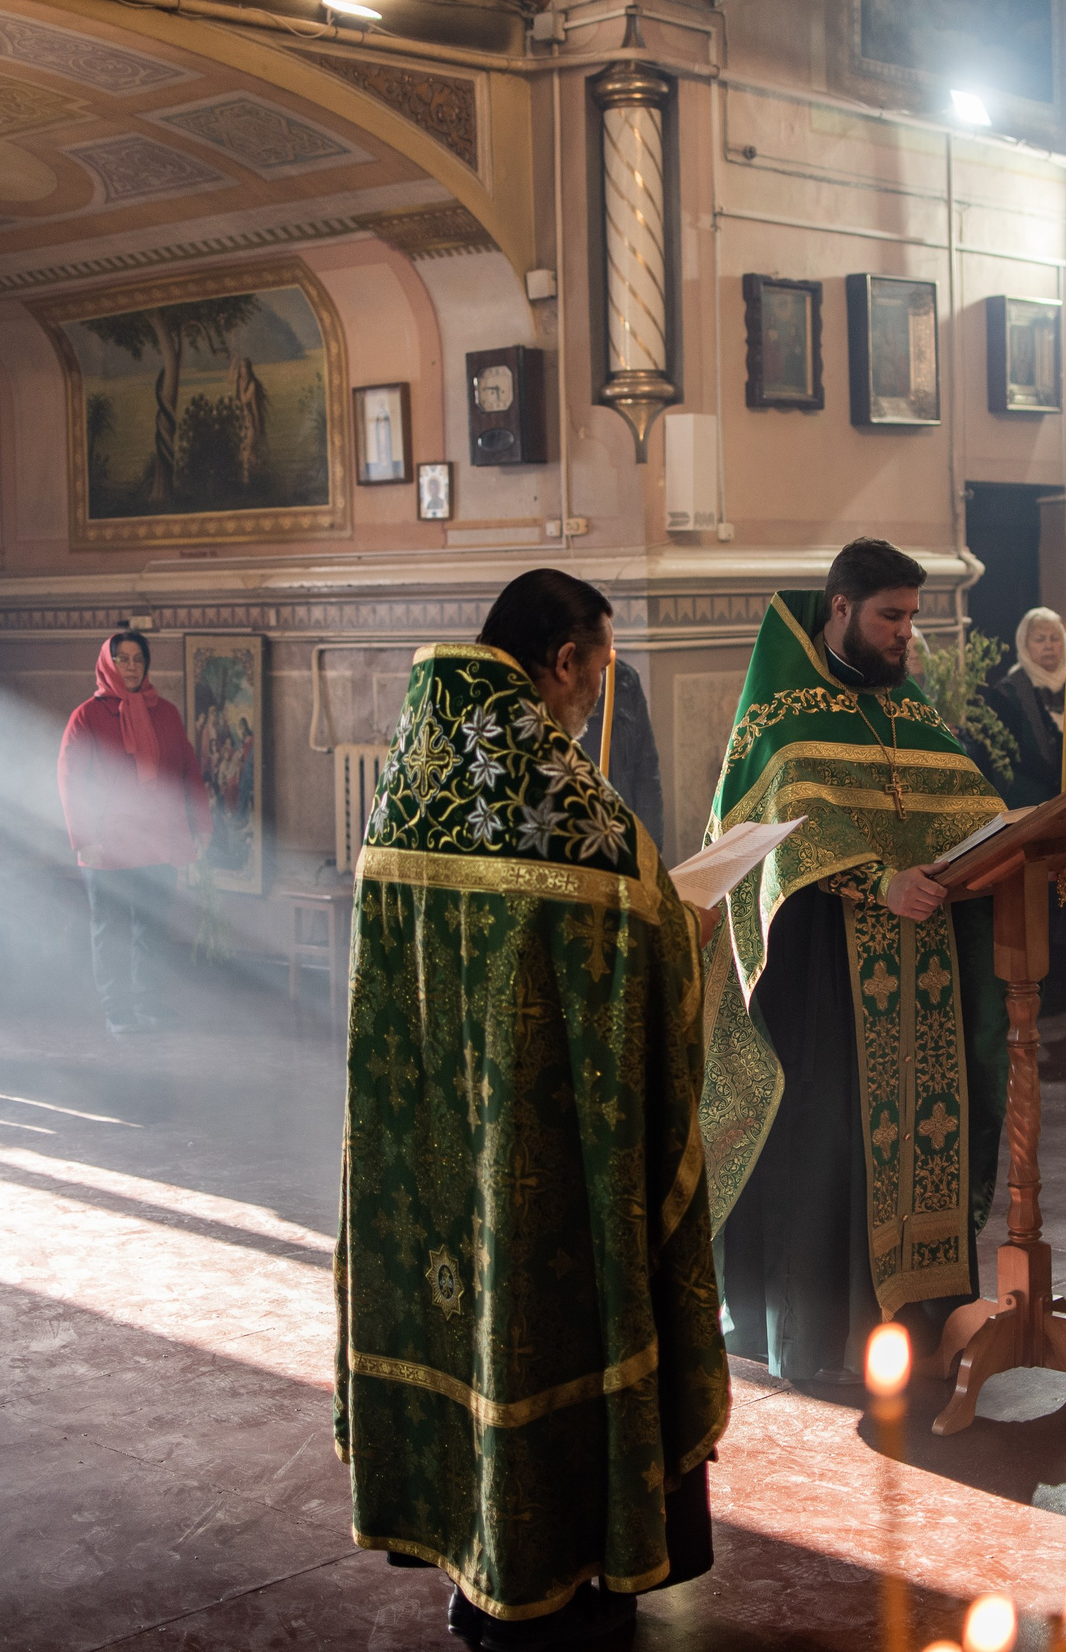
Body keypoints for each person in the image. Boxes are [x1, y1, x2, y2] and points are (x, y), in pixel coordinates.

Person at [340, 569, 726, 1650]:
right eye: (593, 676)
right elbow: (643, 933)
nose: (589, 703)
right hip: (542, 1136)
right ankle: (557, 1574)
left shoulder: (413, 768)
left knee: (461, 1329)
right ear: (562, 660)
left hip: (429, 1135)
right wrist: (683, 933)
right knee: (545, 1331)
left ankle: (471, 1566)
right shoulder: (555, 790)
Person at [700, 539, 1010, 1382]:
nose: (906, 633)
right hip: (819, 977)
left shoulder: (906, 709)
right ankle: (823, 1334)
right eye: (890, 616)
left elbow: (969, 804)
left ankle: (921, 1315)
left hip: (923, 967)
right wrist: (876, 881)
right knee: (831, 1143)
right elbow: (776, 835)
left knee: (921, 1134)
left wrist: (1026, 850)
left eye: (912, 616)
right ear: (841, 607)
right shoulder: (781, 715)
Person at [56, 631, 209, 1035]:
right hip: (105, 843)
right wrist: (84, 839)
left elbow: (187, 771)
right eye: (122, 659)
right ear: (108, 664)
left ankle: (149, 1001)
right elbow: (71, 782)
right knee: (111, 928)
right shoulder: (86, 716)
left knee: (153, 927)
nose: (131, 666)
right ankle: (117, 1008)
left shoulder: (166, 713)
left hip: (157, 840)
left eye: (138, 658)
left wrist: (200, 824)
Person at [986, 605, 1066, 810]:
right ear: (1025, 645)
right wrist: (1054, 781)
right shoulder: (1007, 692)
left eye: (1055, 638)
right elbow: (1010, 751)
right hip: (1030, 800)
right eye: (1040, 639)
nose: (1048, 645)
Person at [574, 653, 666, 854]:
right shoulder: (548, 681)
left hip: (622, 838)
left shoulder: (624, 679)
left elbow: (646, 773)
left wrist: (650, 849)